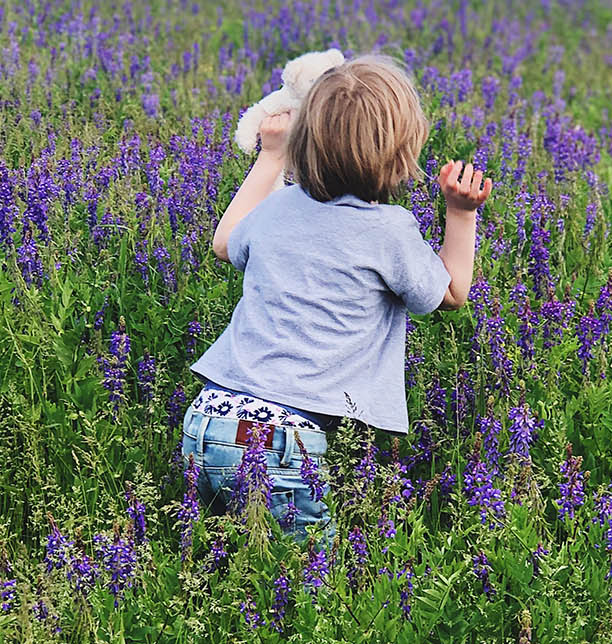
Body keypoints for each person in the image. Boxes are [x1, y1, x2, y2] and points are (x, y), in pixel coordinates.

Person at [179, 55, 493, 544]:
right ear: (400, 157)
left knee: (226, 561)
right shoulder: (389, 231)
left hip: (206, 420)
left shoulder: (279, 206)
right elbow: (452, 294)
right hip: (281, 441)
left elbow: (224, 244)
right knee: (309, 587)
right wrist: (460, 213)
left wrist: (269, 157)